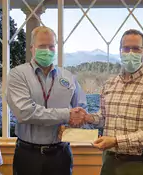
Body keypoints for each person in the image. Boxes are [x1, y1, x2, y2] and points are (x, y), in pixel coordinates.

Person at [85, 29, 143, 175]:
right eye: (126, 48)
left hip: (141, 164)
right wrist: (87, 118)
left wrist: (117, 141)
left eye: (136, 48)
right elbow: (104, 118)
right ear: (120, 52)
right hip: (110, 162)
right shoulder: (110, 84)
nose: (130, 52)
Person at [6, 26, 87, 175]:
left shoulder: (68, 77)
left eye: (51, 46)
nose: (47, 50)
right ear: (32, 48)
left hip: (61, 154)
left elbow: (81, 111)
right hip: (28, 156)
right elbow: (25, 112)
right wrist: (66, 115)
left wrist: (72, 126)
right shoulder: (18, 75)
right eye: (42, 46)